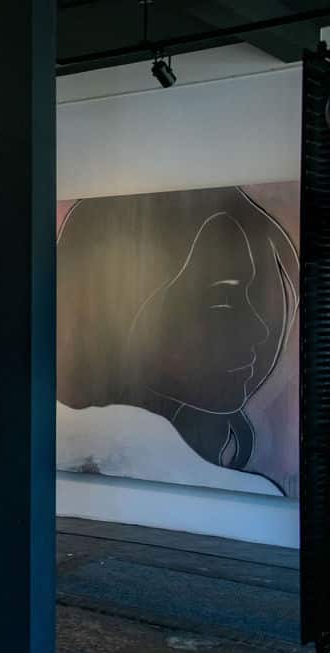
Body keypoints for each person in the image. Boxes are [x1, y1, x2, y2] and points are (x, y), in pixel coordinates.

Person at [56, 186, 299, 494]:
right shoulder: (243, 494)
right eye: (223, 301)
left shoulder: (40, 451)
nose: (261, 330)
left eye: (260, 302)